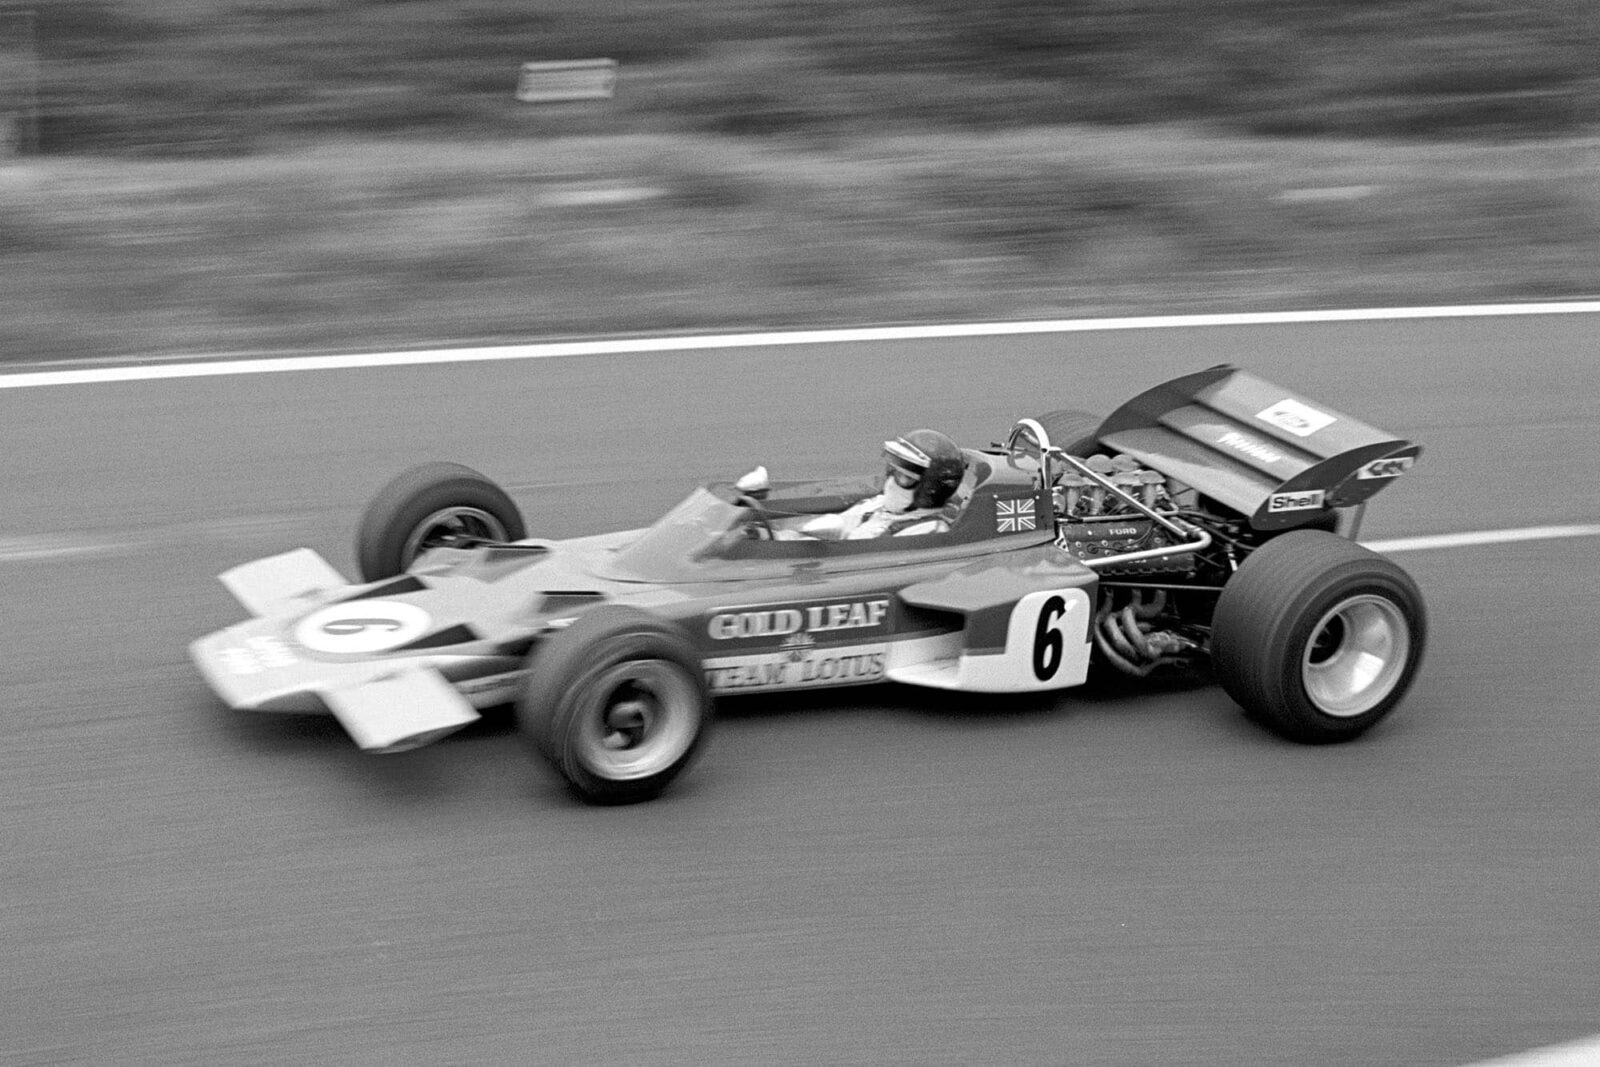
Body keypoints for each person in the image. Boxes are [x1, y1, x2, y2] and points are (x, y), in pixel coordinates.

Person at [793, 429, 967, 539]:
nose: (891, 481)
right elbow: (841, 524)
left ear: (930, 489)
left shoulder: (928, 532)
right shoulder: (878, 505)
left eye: (904, 477)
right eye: (893, 470)